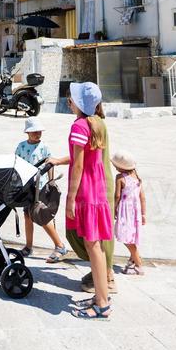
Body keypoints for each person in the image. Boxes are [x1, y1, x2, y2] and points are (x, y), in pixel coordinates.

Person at [65, 82, 114, 319]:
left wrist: (71, 198)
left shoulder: (80, 126)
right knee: (97, 248)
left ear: (78, 104)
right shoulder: (97, 124)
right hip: (98, 192)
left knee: (92, 246)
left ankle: (102, 304)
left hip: (85, 194)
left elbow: (78, 165)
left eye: (71, 99)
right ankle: (100, 296)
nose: (69, 102)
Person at [17, 116, 69, 261]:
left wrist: (51, 182)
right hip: (26, 187)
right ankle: (28, 247)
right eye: (34, 131)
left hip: (40, 187)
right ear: (27, 132)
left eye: (39, 131)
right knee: (27, 215)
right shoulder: (21, 146)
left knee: (41, 215)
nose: (37, 133)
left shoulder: (44, 147)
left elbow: (50, 164)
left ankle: (60, 246)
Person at [113, 152, 147, 274]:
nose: (115, 167)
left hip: (125, 211)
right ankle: (133, 259)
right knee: (131, 235)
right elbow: (142, 197)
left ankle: (139, 264)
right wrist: (143, 214)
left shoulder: (119, 177)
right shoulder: (137, 178)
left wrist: (114, 209)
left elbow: (117, 195)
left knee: (126, 237)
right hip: (135, 211)